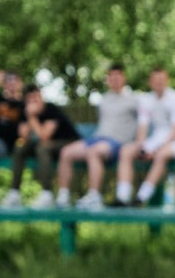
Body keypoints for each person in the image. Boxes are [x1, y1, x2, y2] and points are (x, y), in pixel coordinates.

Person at [57, 63, 140, 208]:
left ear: (123, 78)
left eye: (117, 76)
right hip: (97, 139)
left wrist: (138, 143)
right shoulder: (104, 99)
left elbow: (144, 121)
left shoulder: (134, 100)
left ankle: (94, 195)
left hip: (117, 143)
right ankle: (63, 195)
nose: (114, 80)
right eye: (111, 77)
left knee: (94, 152)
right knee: (66, 152)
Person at [121, 65, 175, 206]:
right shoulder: (146, 100)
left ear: (167, 80)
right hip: (156, 140)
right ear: (150, 81)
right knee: (126, 150)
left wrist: (155, 150)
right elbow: (143, 127)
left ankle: (141, 197)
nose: (159, 83)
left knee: (161, 155)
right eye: (156, 80)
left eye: (162, 79)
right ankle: (122, 196)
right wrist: (141, 147)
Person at [13, 89, 79, 201]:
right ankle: (14, 193)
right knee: (20, 147)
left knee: (42, 148)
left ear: (41, 98)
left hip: (69, 143)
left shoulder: (51, 109)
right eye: (30, 99)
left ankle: (46, 194)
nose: (34, 101)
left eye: (36, 97)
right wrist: (30, 116)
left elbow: (44, 136)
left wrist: (32, 117)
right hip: (46, 146)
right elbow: (23, 136)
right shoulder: (26, 112)